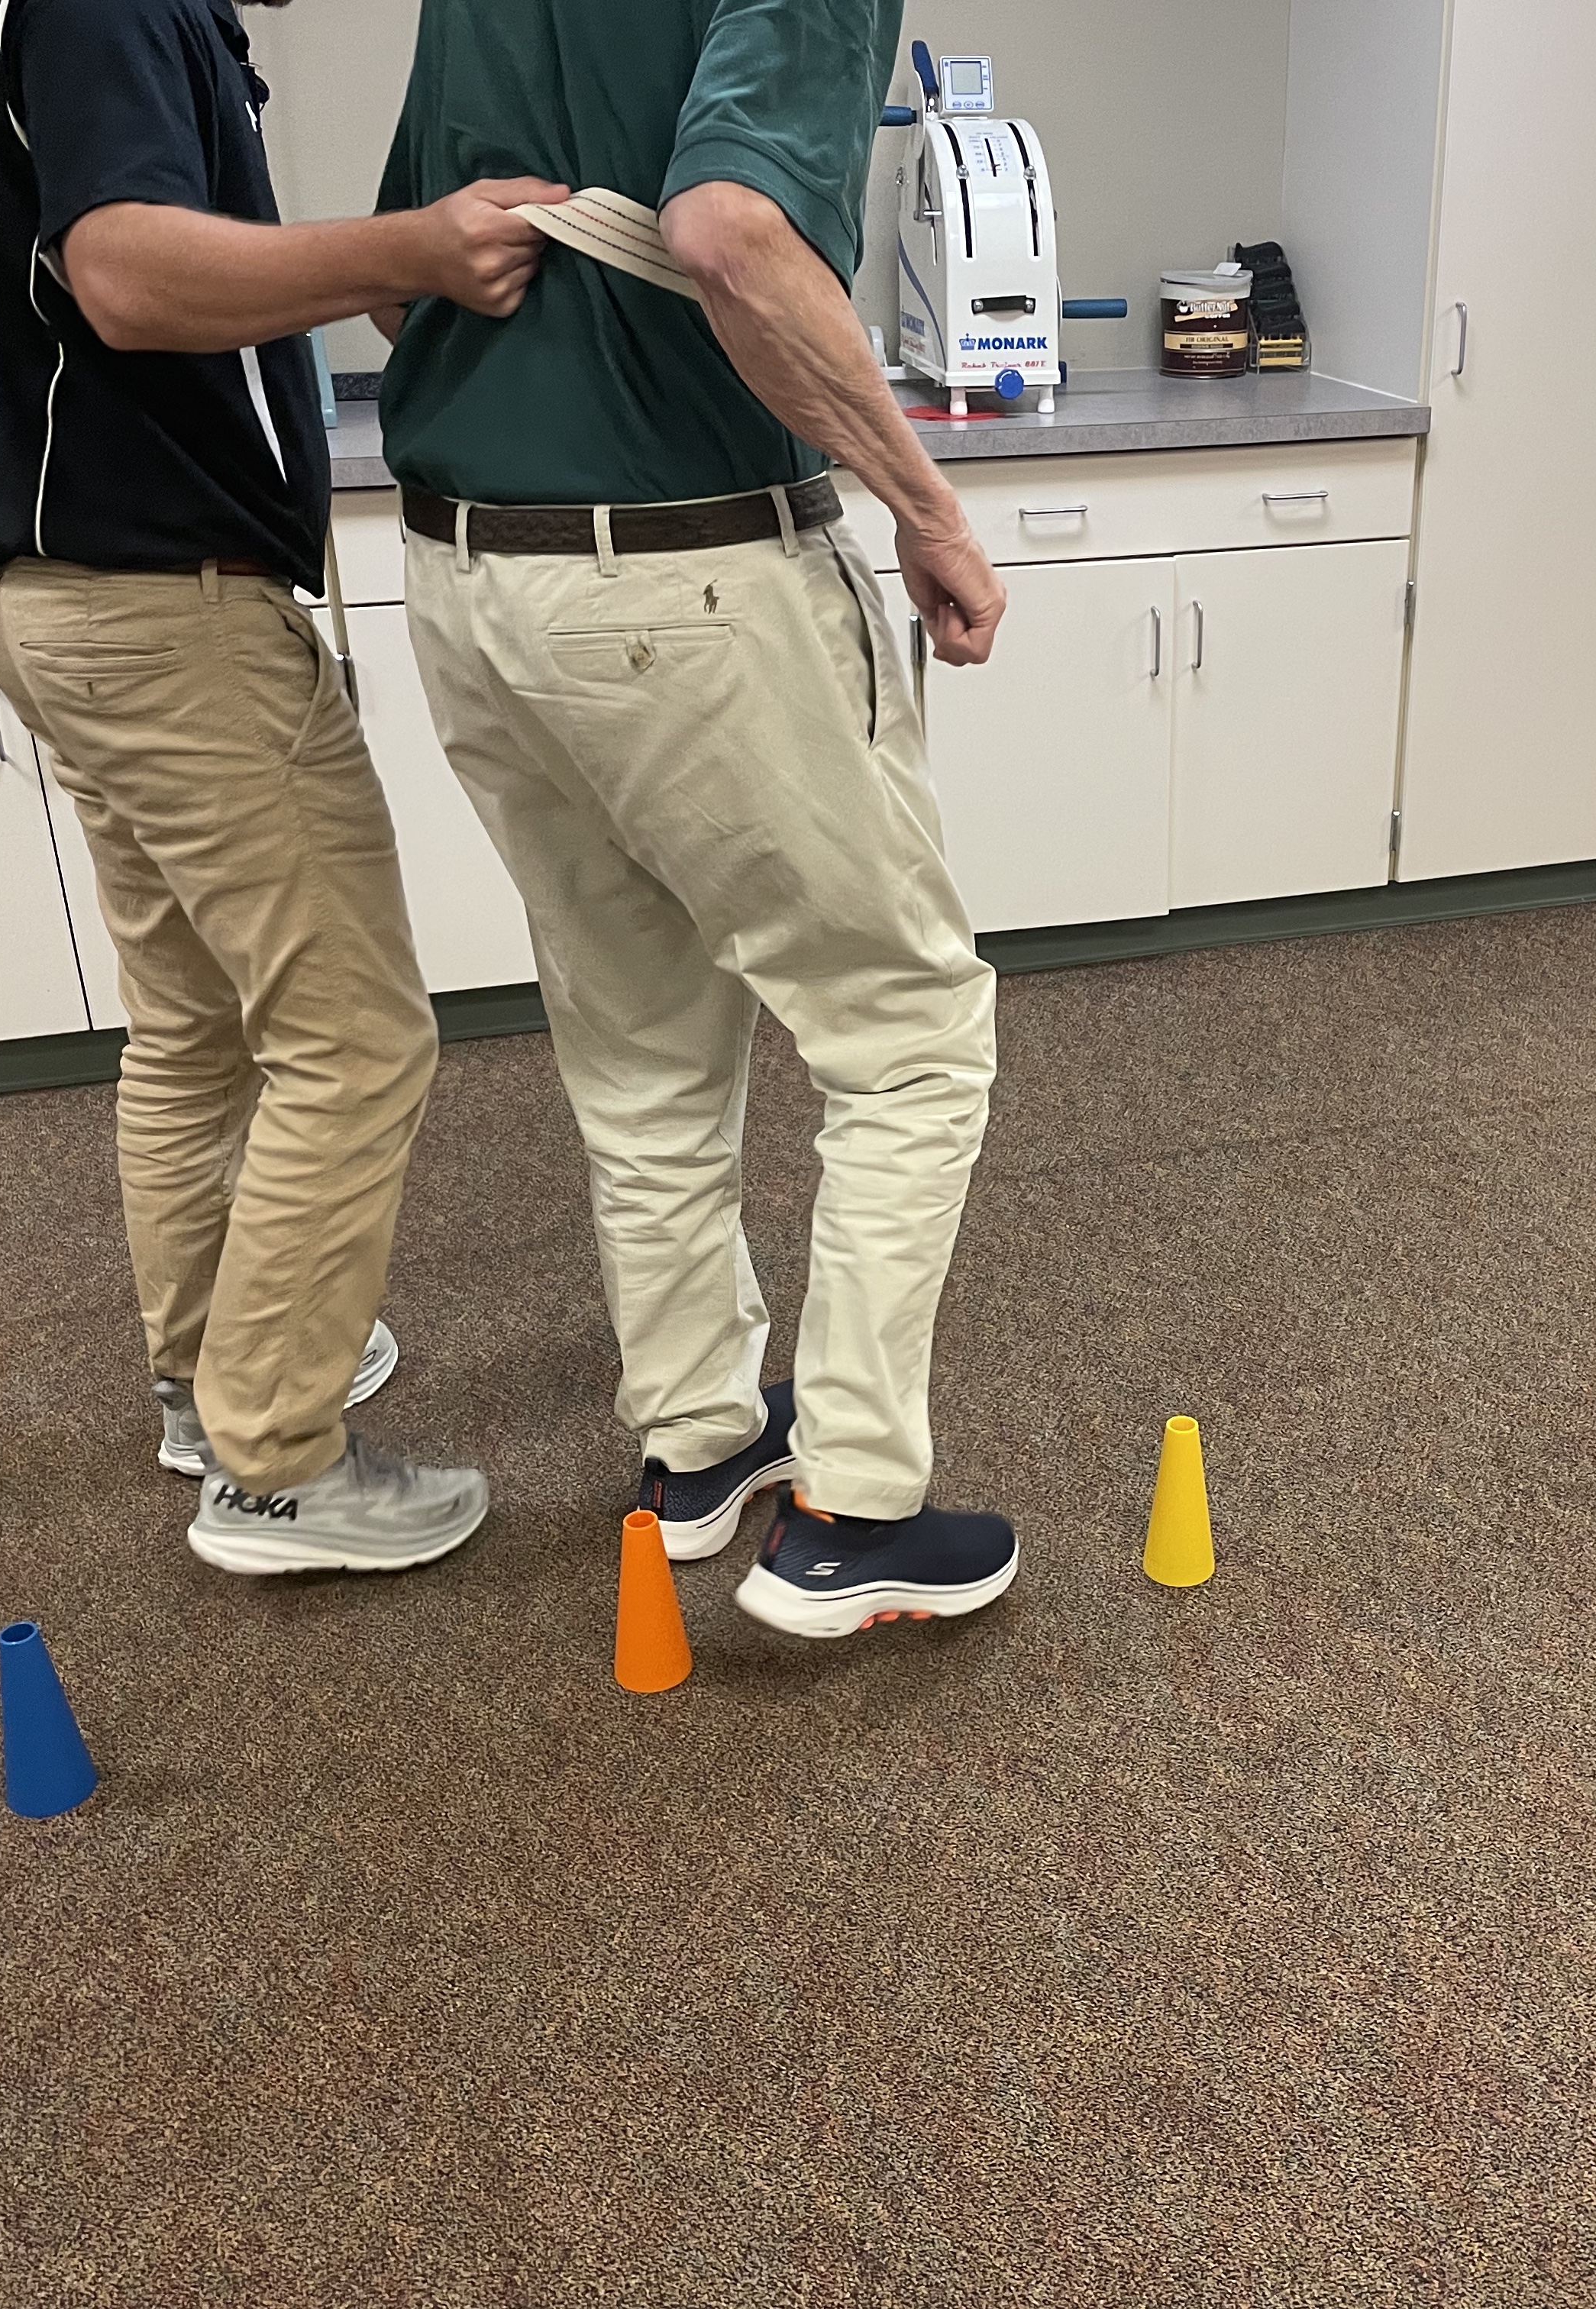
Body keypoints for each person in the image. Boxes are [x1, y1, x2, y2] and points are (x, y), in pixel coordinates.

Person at [374, 2, 1019, 1639]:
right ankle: (860, 1512)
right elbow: (730, 235)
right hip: (684, 575)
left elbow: (404, 276)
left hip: (469, 578)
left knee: (640, 1040)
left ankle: (699, 1451)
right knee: (907, 1031)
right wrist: (924, 504)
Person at [0, 0, 558, 1575]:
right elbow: (130, 274)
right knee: (355, 1039)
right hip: (168, 619)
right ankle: (278, 1467)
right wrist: (412, 250)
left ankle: (205, 1383)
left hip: (75, 604)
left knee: (194, 1022)